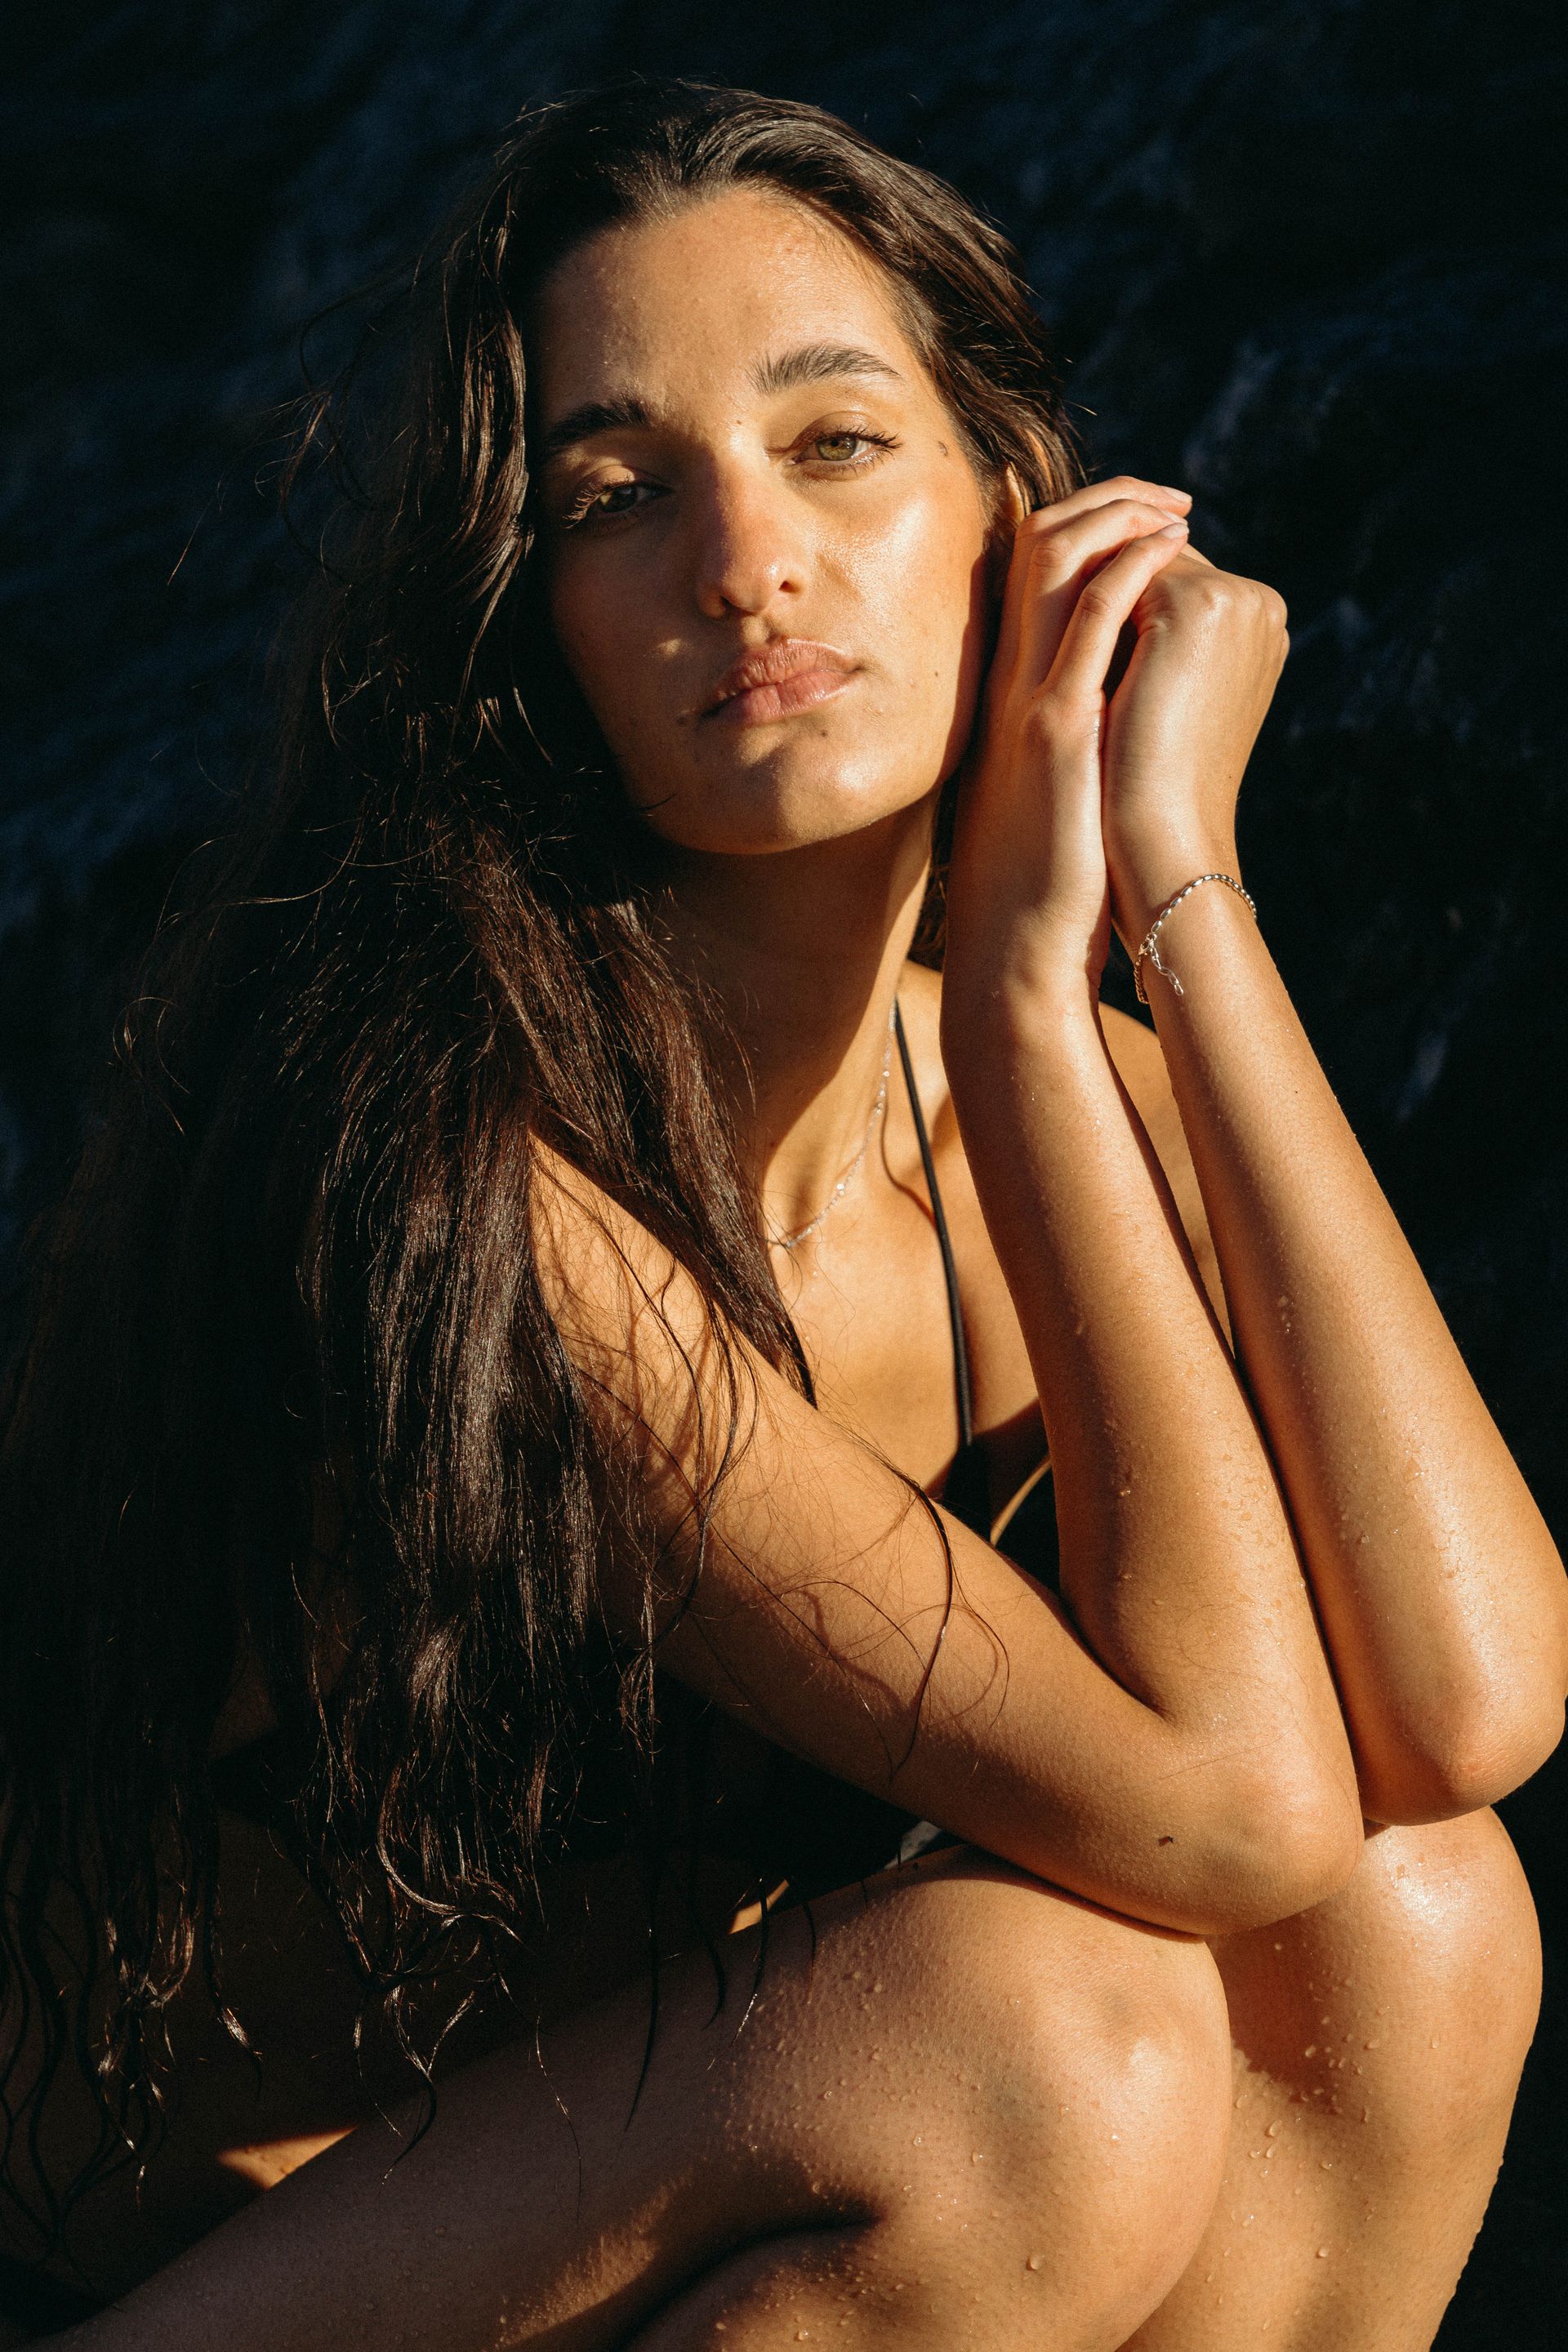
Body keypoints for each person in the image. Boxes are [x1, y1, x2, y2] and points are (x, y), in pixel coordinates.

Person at [2, 78, 1563, 2352]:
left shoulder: (1046, 1092)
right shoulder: (471, 1179)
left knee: (1415, 1937)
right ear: (521, 617)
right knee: (1037, 2038)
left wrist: (1141, 922)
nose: (746, 560)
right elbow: (1223, 1810)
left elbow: (1466, 1709)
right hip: (191, 2268)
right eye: (616, 498)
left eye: (838, 444)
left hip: (655, 2156)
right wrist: (1028, 977)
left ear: (1021, 520)